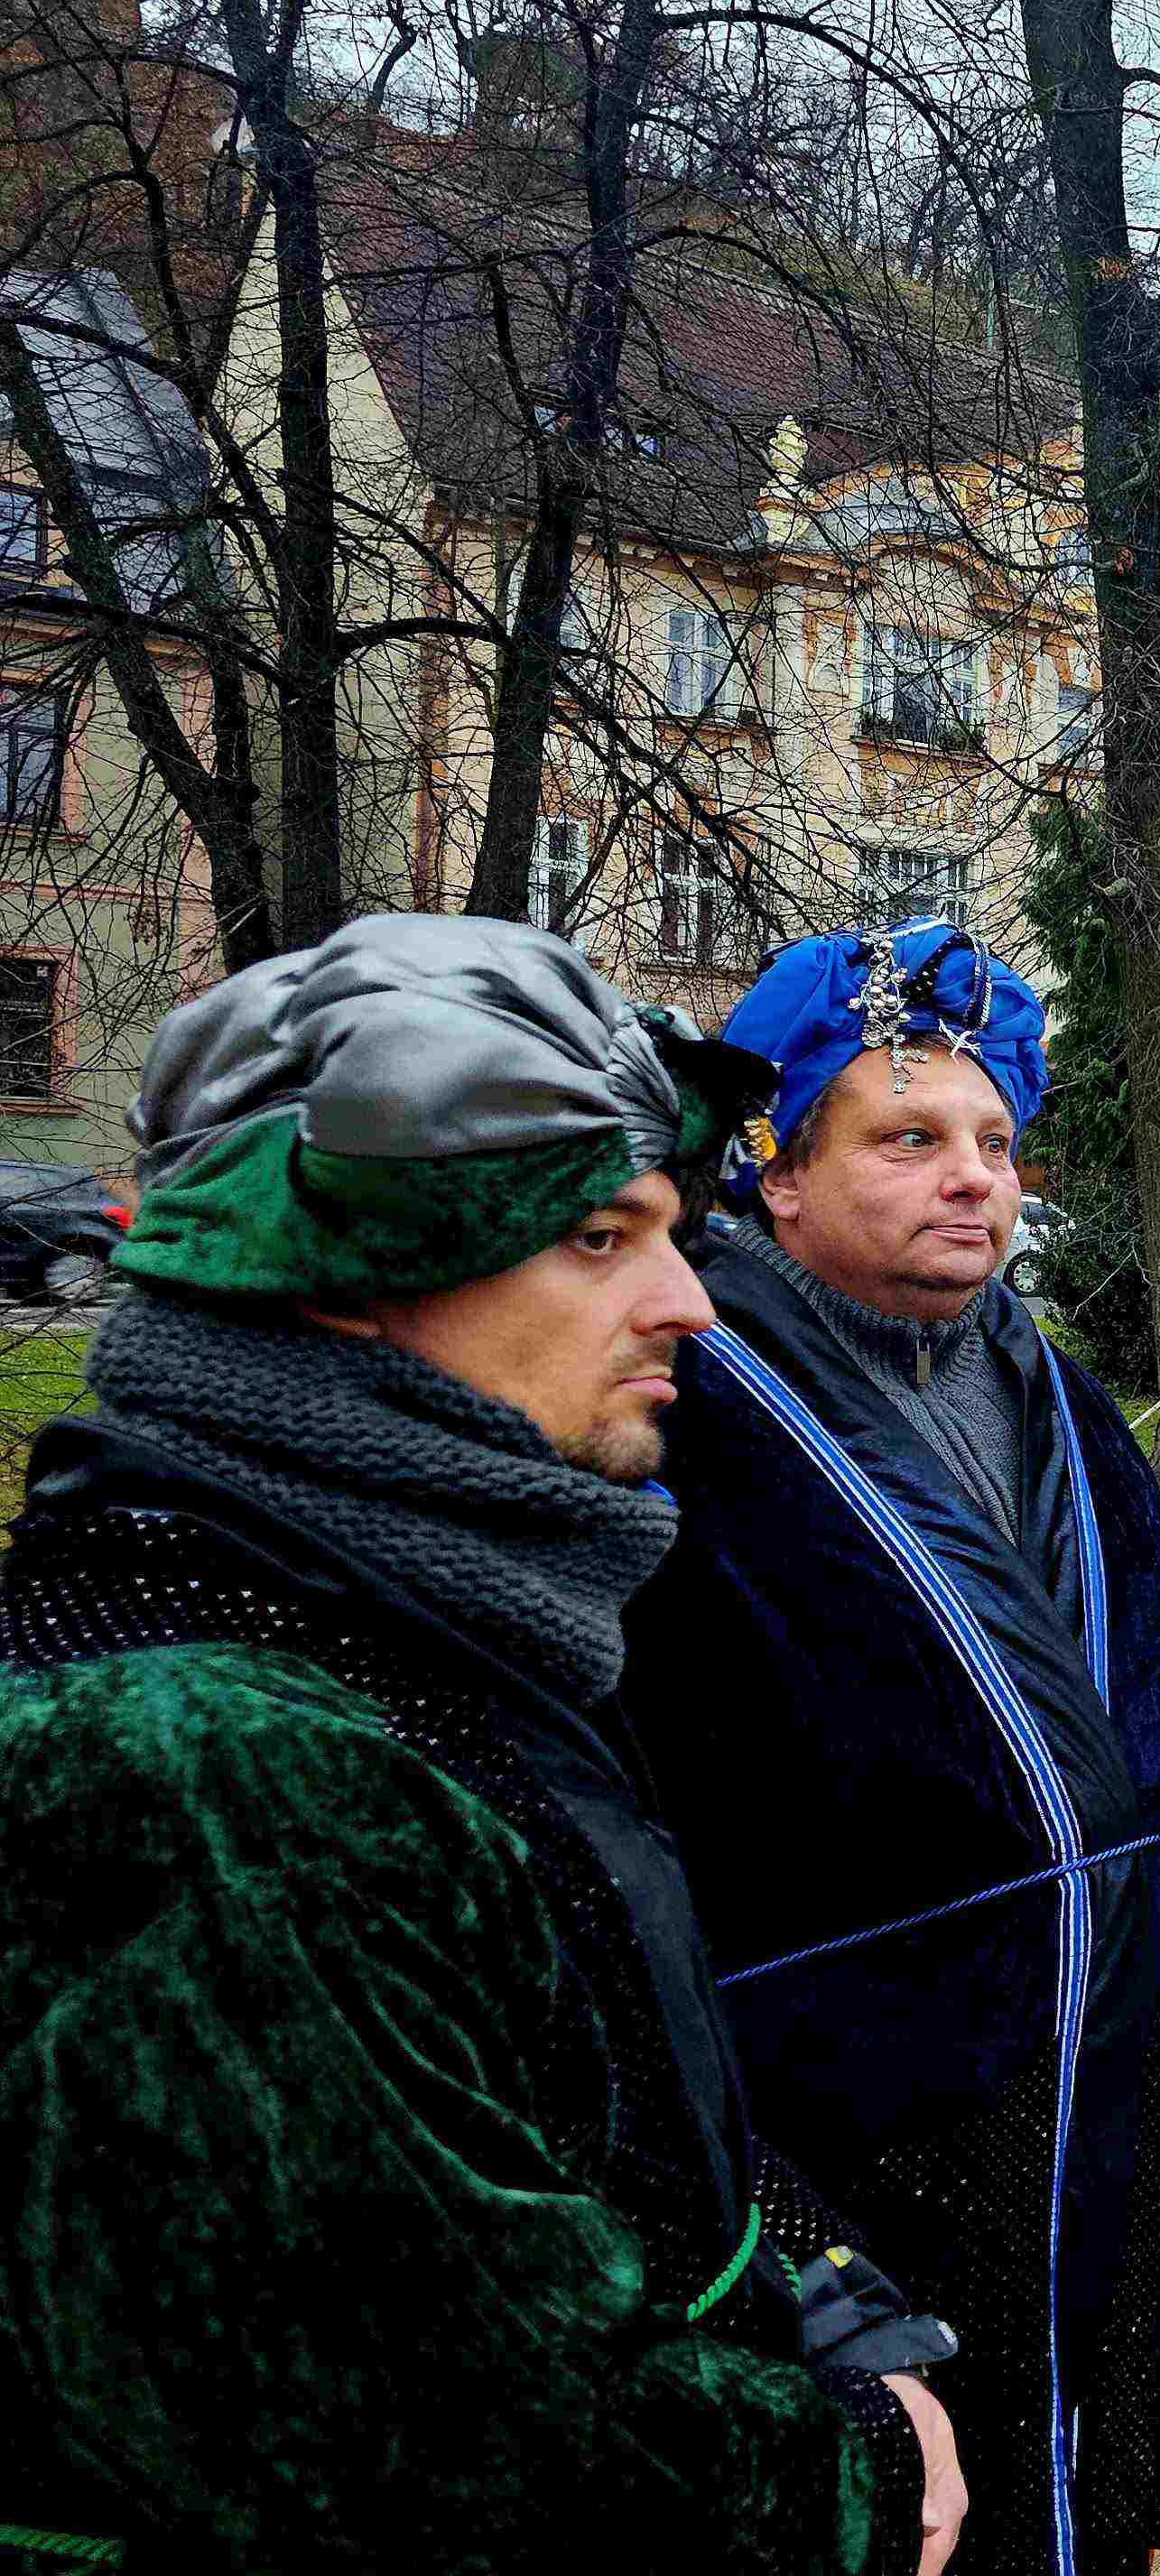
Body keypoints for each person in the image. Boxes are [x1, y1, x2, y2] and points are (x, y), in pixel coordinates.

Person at [0, 916, 961, 2575]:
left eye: (671, 1229)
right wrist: (848, 2475)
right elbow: (458, 2458)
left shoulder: (428, 1621)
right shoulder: (220, 1774)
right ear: (359, 1283)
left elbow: (599, 2096)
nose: (694, 1305)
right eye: (601, 1238)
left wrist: (810, 2279)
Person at [624, 921, 1160, 2576]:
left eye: (994, 1142)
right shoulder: (684, 1427)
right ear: (773, 1166)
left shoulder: (1063, 1406)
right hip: (869, 2128)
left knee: (1106, 2483)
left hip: (1120, 2077)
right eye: (907, 1137)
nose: (973, 1180)